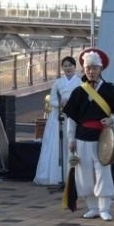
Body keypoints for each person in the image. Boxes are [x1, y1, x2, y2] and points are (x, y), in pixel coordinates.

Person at [62, 48, 114, 221]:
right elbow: (72, 119)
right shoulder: (78, 92)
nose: (91, 71)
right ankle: (92, 207)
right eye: (88, 68)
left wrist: (112, 120)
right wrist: (71, 139)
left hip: (103, 139)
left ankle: (104, 208)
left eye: (94, 68)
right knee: (84, 173)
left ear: (100, 69)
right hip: (82, 137)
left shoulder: (110, 90)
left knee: (103, 172)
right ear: (84, 69)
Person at [34, 56, 81, 185]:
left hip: (74, 116)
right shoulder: (58, 82)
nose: (68, 68)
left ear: (74, 67)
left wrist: (71, 104)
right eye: (65, 66)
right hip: (58, 116)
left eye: (70, 65)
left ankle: (73, 176)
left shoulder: (80, 82)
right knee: (56, 145)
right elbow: (52, 99)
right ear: (62, 68)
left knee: (71, 143)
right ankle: (57, 176)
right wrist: (60, 104)